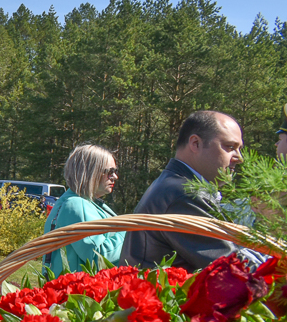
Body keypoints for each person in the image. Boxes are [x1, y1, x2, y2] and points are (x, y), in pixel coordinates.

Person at [120, 110, 253, 270]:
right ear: (195, 143)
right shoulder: (184, 194)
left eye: (239, 148)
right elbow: (233, 268)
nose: (239, 158)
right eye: (230, 146)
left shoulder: (174, 185)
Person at [41, 144, 124, 275]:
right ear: (91, 172)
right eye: (109, 172)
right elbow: (99, 256)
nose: (115, 177)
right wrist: (130, 232)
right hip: (78, 293)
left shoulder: (82, 202)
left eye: (115, 171)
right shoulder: (76, 204)